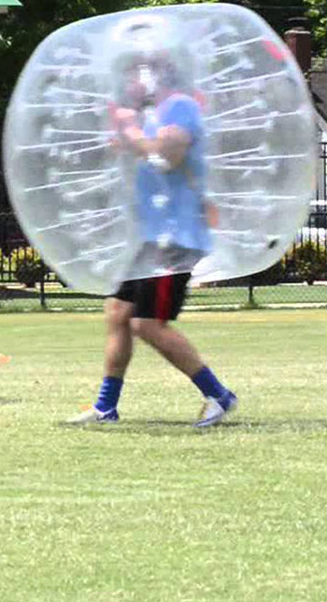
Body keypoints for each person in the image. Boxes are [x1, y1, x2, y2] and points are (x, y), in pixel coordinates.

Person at [68, 47, 238, 427]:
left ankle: (219, 394)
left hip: (174, 238)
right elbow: (132, 156)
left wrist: (131, 134)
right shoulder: (149, 117)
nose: (130, 82)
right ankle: (105, 407)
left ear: (155, 76)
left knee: (148, 324)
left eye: (136, 73)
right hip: (150, 236)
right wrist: (122, 136)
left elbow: (171, 152)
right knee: (118, 313)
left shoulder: (180, 106)